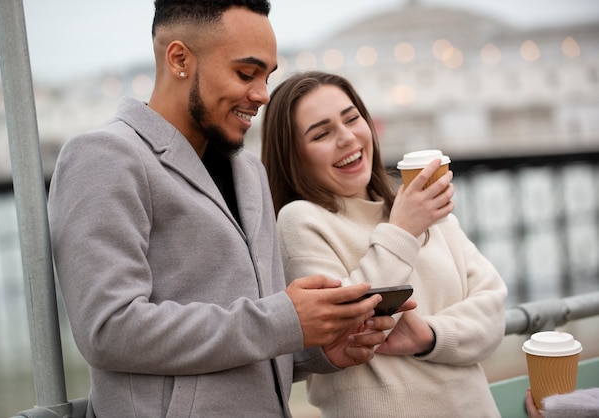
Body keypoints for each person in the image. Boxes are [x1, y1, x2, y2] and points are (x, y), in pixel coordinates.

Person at [47, 3, 402, 417]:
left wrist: (318, 349)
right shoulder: (105, 156)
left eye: (266, 77)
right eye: (245, 74)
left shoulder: (249, 170)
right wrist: (284, 320)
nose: (263, 95)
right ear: (179, 59)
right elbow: (109, 330)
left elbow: (256, 332)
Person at [261, 70, 509, 417]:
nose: (347, 138)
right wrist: (403, 231)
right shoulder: (300, 220)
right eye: (322, 134)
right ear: (293, 156)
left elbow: (492, 312)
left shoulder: (421, 210)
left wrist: (429, 336)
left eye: (352, 119)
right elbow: (341, 326)